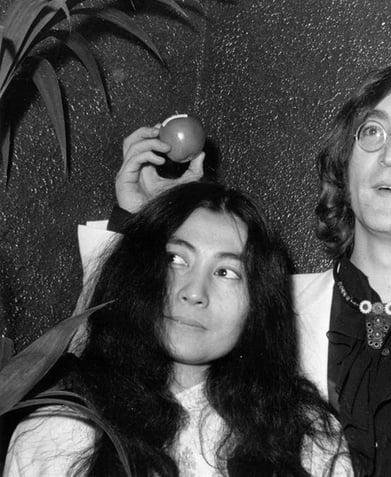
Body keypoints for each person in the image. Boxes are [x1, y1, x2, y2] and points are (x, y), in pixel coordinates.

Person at [75, 61, 391, 476]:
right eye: (372, 132)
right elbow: (108, 362)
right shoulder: (263, 300)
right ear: (345, 163)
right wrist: (144, 220)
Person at [5, 182, 350, 476]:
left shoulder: (307, 436)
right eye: (175, 260)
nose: (194, 292)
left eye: (226, 272)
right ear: (138, 272)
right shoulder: (59, 432)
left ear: (258, 303)